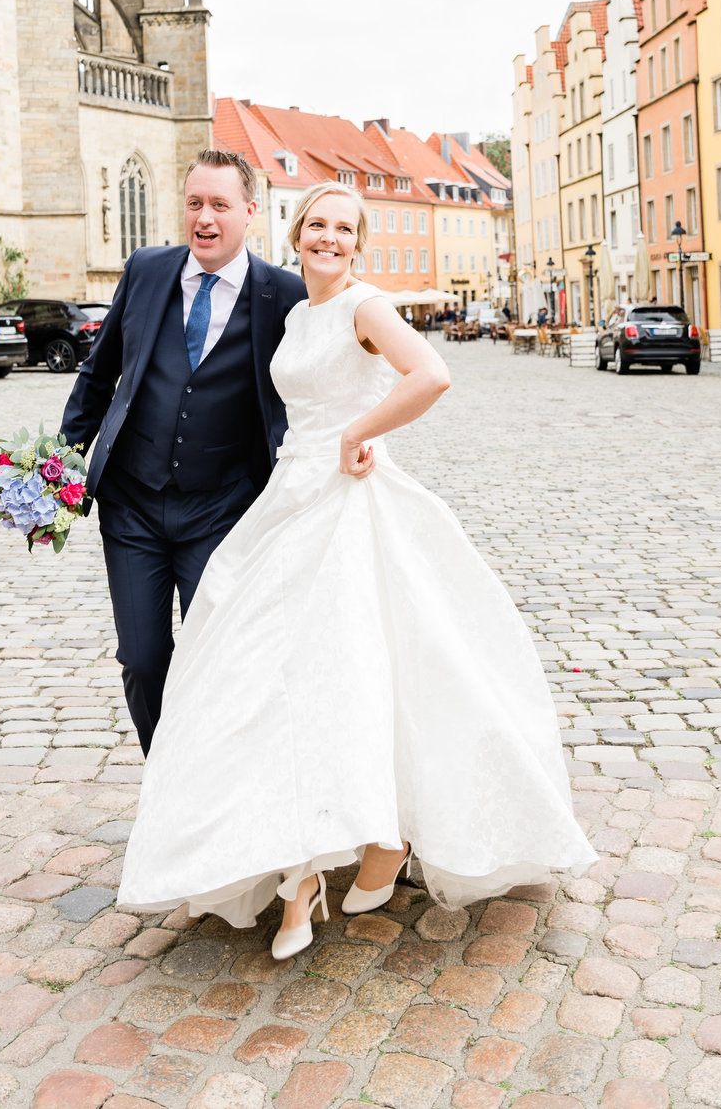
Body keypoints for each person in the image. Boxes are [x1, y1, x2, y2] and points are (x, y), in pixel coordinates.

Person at [117, 180, 596, 957]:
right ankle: (298, 860)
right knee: (271, 672)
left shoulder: (365, 305)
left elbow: (431, 375)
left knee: (364, 666)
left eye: (344, 228)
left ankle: (370, 844)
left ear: (359, 242)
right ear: (296, 233)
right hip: (288, 499)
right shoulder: (299, 313)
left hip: (351, 496)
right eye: (316, 224)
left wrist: (360, 433)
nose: (328, 237)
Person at [59, 149, 306, 756]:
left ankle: (212, 787)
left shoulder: (285, 295)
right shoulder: (146, 269)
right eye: (195, 203)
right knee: (142, 659)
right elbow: (100, 372)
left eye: (220, 205)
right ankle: (165, 777)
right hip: (132, 505)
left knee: (215, 654)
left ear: (250, 212)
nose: (205, 218)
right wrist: (60, 460)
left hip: (222, 511)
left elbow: (315, 385)